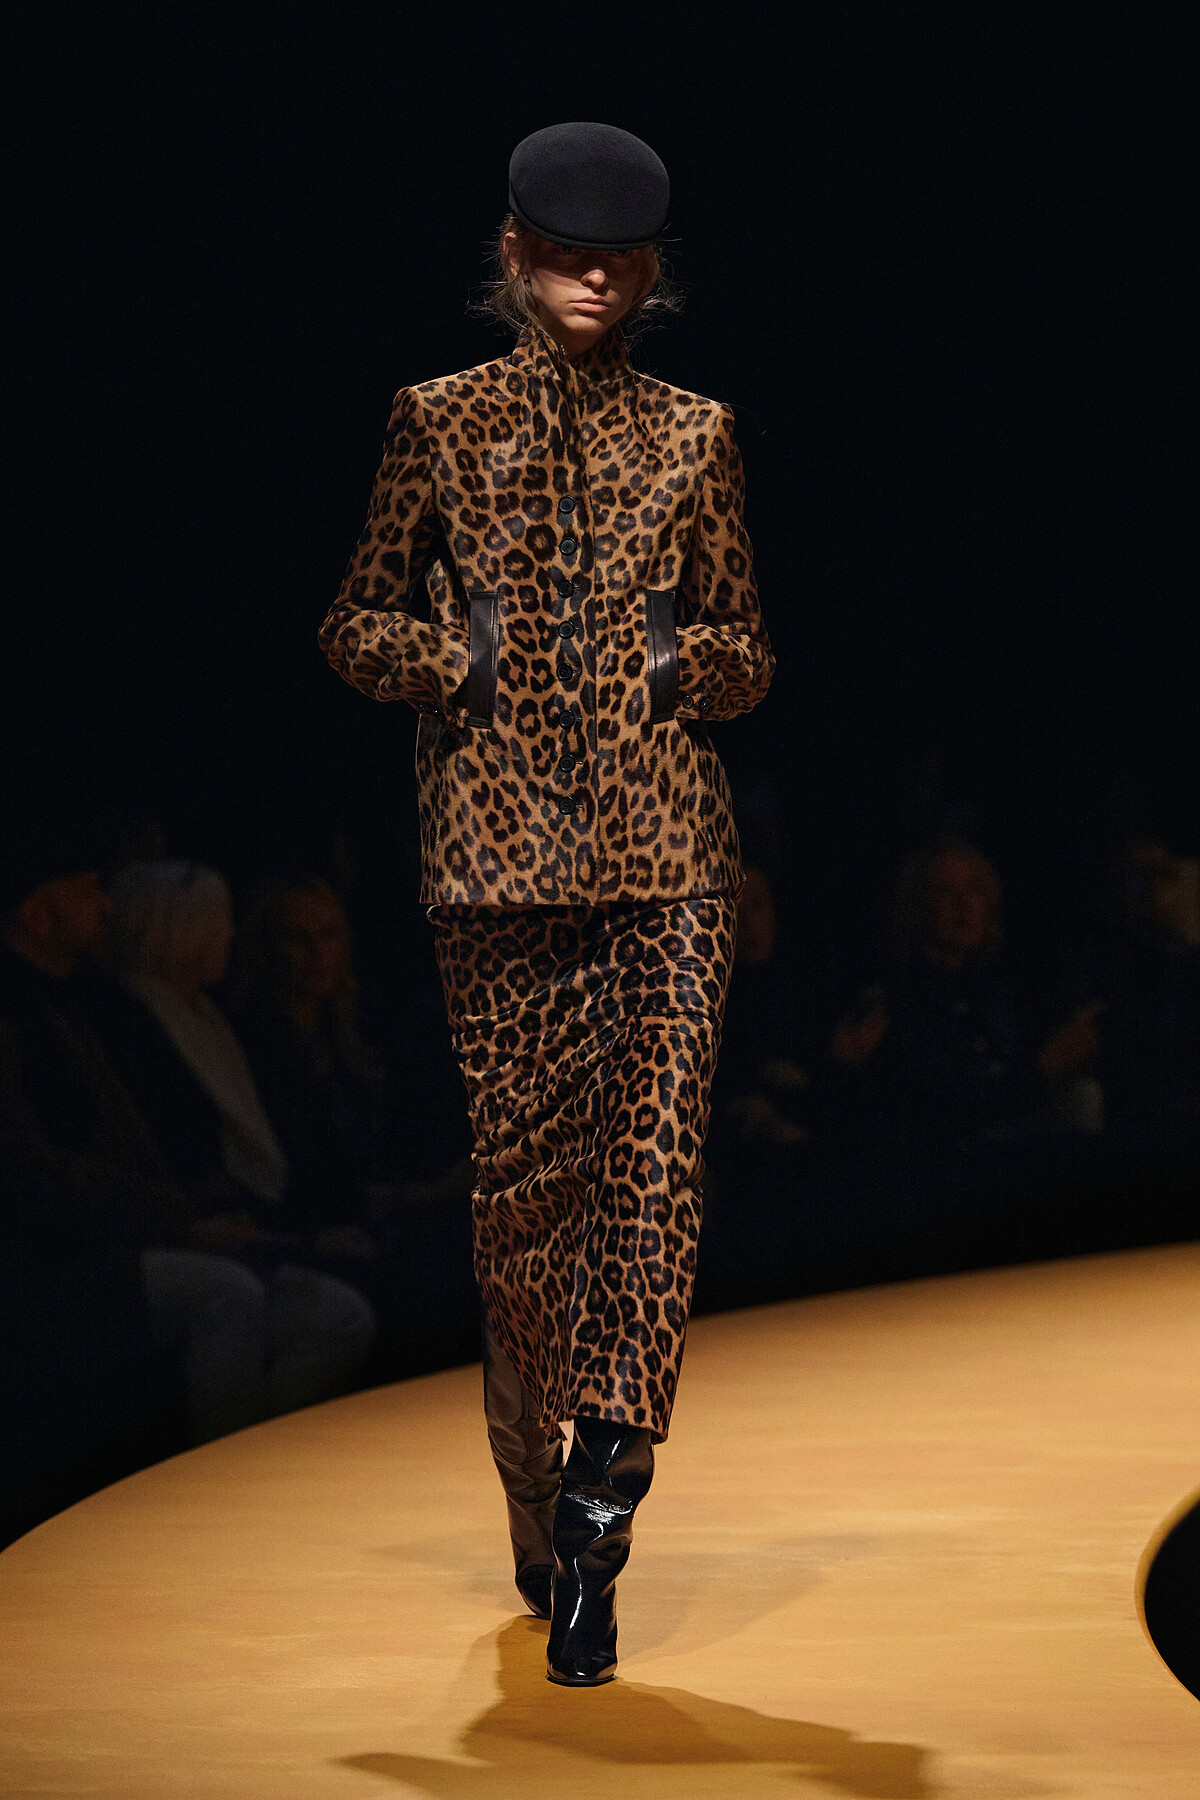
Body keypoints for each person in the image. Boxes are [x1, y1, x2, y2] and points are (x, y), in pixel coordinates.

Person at [320, 122, 774, 1685]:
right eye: (565, 255)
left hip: (670, 858)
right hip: (498, 867)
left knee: (652, 1174)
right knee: (526, 1216)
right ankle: (536, 1488)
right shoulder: (436, 423)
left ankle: (601, 1505)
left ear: (649, 273)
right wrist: (458, 663)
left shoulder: (698, 436)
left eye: (618, 260)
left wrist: (681, 662)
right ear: (514, 256)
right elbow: (354, 618)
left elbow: (748, 645)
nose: (592, 281)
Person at [84, 858, 377, 1437]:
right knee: (274, 1304)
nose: (230, 934)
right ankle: (243, 1458)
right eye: (216, 921)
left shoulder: (203, 1018)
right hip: (197, 1225)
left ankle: (261, 1450)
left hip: (245, 1215)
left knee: (342, 1312)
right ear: (176, 930)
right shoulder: (138, 1023)